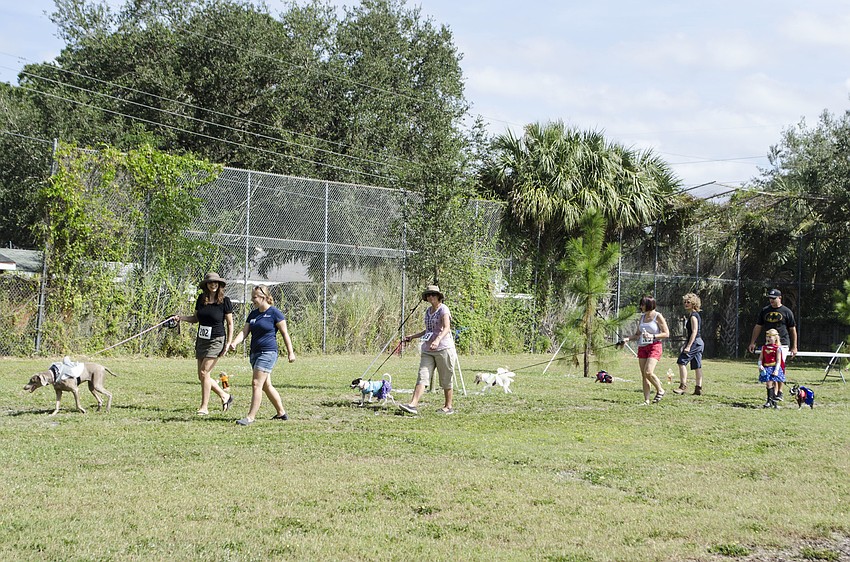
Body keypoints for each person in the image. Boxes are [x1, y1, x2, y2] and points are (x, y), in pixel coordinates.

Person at [228, 285, 295, 426]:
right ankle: (281, 413)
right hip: (255, 353)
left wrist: (290, 352)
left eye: (255, 297)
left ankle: (250, 417)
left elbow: (285, 334)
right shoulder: (253, 314)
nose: (252, 300)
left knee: (256, 384)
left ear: (263, 297)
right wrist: (234, 342)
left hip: (268, 352)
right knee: (266, 386)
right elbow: (244, 332)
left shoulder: (275, 313)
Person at [173, 272, 234, 416]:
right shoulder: (201, 299)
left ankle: (204, 407)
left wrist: (228, 342)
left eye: (216, 282)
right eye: (210, 282)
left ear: (219, 285)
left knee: (204, 372)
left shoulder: (225, 301)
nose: (213, 285)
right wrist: (180, 318)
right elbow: (195, 318)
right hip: (202, 339)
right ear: (206, 285)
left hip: (217, 340)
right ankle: (225, 396)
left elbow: (230, 324)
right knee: (201, 376)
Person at [399, 284, 456, 415]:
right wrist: (413, 336)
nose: (430, 297)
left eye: (433, 295)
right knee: (422, 376)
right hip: (428, 349)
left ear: (438, 297)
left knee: (446, 378)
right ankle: (413, 404)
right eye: (428, 295)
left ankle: (448, 406)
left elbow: (447, 328)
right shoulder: (428, 311)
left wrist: (437, 340)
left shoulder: (443, 310)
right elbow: (428, 330)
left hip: (443, 348)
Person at [747, 288, 797, 401]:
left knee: (779, 367)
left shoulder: (787, 311)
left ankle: (779, 391)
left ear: (780, 298)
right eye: (770, 298)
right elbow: (758, 326)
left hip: (782, 344)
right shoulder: (765, 311)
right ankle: (773, 393)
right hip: (769, 344)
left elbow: (792, 329)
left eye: (773, 298)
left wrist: (794, 346)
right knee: (769, 366)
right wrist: (752, 342)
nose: (771, 300)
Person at [622, 295, 670, 405]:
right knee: (644, 375)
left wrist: (652, 336)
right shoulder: (642, 317)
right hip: (642, 347)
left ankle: (660, 390)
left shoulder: (658, 316)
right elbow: (638, 334)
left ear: (649, 305)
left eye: (643, 304)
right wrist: (627, 339)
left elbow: (666, 333)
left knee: (648, 372)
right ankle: (646, 400)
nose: (641, 306)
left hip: (654, 346)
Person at [673, 293, 704, 396]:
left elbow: (694, 331)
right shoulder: (693, 315)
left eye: (688, 302)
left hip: (695, 342)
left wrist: (689, 346)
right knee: (697, 365)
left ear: (693, 303)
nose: (686, 304)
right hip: (699, 342)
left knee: (681, 361)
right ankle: (698, 388)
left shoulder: (694, 316)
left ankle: (683, 386)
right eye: (685, 302)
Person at [758, 329, 785, 409]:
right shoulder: (764, 347)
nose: (768, 338)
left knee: (772, 383)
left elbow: (778, 360)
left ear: (775, 338)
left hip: (773, 368)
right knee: (768, 384)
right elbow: (761, 358)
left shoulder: (777, 348)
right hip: (766, 368)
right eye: (767, 336)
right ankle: (770, 400)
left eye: (770, 337)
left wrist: (776, 370)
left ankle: (773, 401)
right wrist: (760, 365)